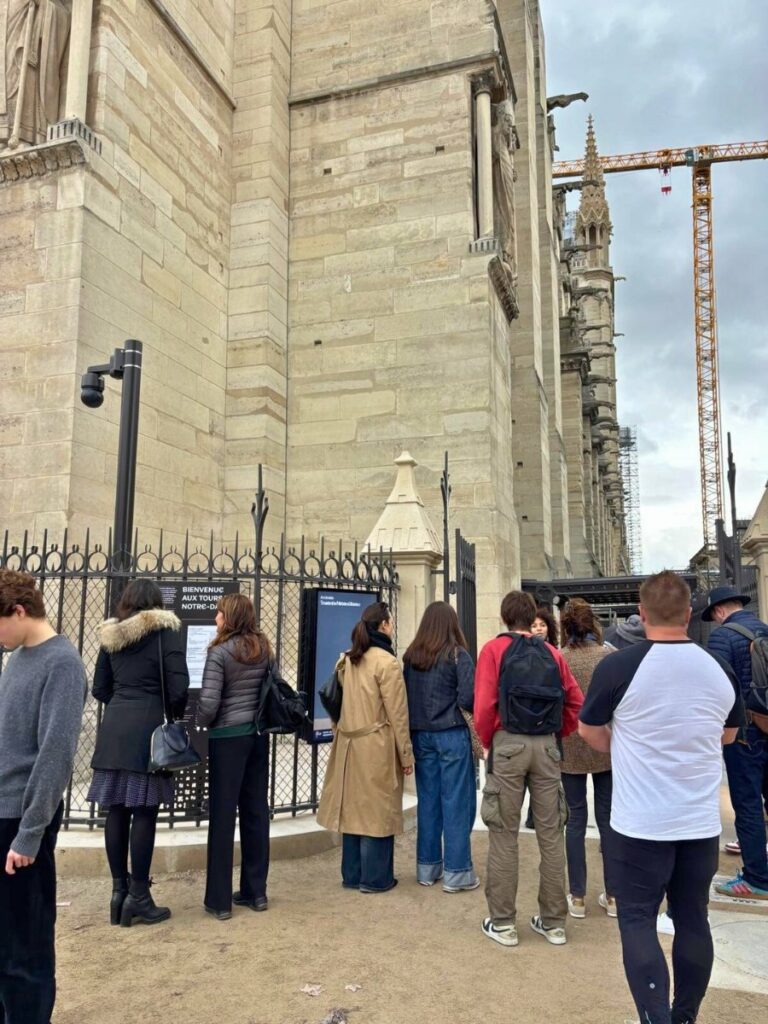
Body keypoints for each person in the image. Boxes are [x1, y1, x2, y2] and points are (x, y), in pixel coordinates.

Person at [579, 571, 744, 1024]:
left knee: (637, 919)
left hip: (639, 821)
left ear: (642, 611)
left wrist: (628, 746)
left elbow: (589, 729)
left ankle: (655, 1017)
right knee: (693, 919)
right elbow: (728, 735)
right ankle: (684, 1016)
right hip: (697, 821)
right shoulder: (716, 667)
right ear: (689, 615)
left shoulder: (618, 666)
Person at [0, 569, 86, 1024]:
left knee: (25, 950)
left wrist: (29, 835)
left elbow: (54, 758)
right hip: (4, 815)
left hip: (21, 822)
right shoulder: (18, 655)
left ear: (18, 612)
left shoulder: (62, 664)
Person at [475, 590, 583, 948]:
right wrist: (556, 734)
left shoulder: (494, 650)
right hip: (547, 746)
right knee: (551, 834)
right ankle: (553, 922)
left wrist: (490, 739)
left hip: (508, 743)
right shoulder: (551, 652)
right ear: (531, 617)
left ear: (505, 617)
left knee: (504, 832)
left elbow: (485, 705)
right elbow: (575, 701)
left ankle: (503, 922)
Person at [88, 580, 190, 927]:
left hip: (114, 729)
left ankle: (118, 893)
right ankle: (140, 896)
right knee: (144, 813)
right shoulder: (165, 634)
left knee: (115, 810)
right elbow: (178, 689)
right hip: (147, 732)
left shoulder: (111, 637)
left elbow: (100, 687)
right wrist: (164, 711)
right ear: (156, 603)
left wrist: (123, 702)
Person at [317, 601, 414, 893]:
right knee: (376, 811)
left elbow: (335, 701)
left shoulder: (347, 659)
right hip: (376, 744)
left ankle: (351, 874)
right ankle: (375, 878)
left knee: (352, 810)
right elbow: (398, 714)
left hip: (348, 743)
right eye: (391, 621)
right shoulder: (387, 662)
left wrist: (339, 731)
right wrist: (405, 754)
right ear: (383, 625)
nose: (393, 626)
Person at [197, 594, 272, 920]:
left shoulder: (219, 652)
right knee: (256, 812)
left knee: (223, 816)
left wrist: (200, 719)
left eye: (219, 612)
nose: (216, 618)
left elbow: (210, 704)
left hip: (227, 738)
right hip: (256, 736)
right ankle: (256, 892)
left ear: (230, 617)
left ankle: (219, 900)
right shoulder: (264, 648)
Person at [403, 601, 478, 892]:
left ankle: (427, 867)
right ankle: (457, 872)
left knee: (429, 801)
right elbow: (468, 697)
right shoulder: (458, 655)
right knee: (456, 803)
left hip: (421, 734)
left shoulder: (412, 657)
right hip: (451, 732)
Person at [704, 585, 768, 899]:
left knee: (748, 805)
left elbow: (717, 686)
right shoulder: (765, 629)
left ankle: (757, 878)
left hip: (745, 734)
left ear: (718, 611)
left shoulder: (722, 636)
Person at [559, 598, 617, 919]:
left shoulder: (560, 658)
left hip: (570, 744)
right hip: (605, 742)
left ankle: (577, 895)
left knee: (575, 821)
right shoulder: (608, 656)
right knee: (608, 819)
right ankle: (613, 895)